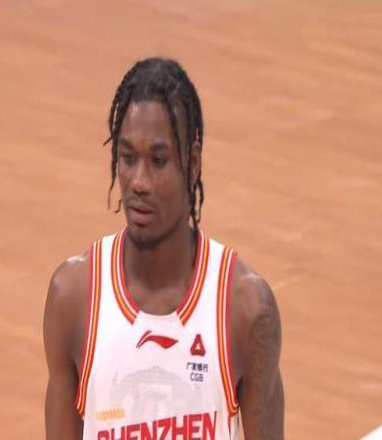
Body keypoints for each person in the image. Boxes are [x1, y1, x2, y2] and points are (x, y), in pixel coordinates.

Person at [43, 57, 284, 439]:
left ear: (193, 161)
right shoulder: (74, 299)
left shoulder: (244, 309)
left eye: (158, 161)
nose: (139, 181)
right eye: (127, 158)